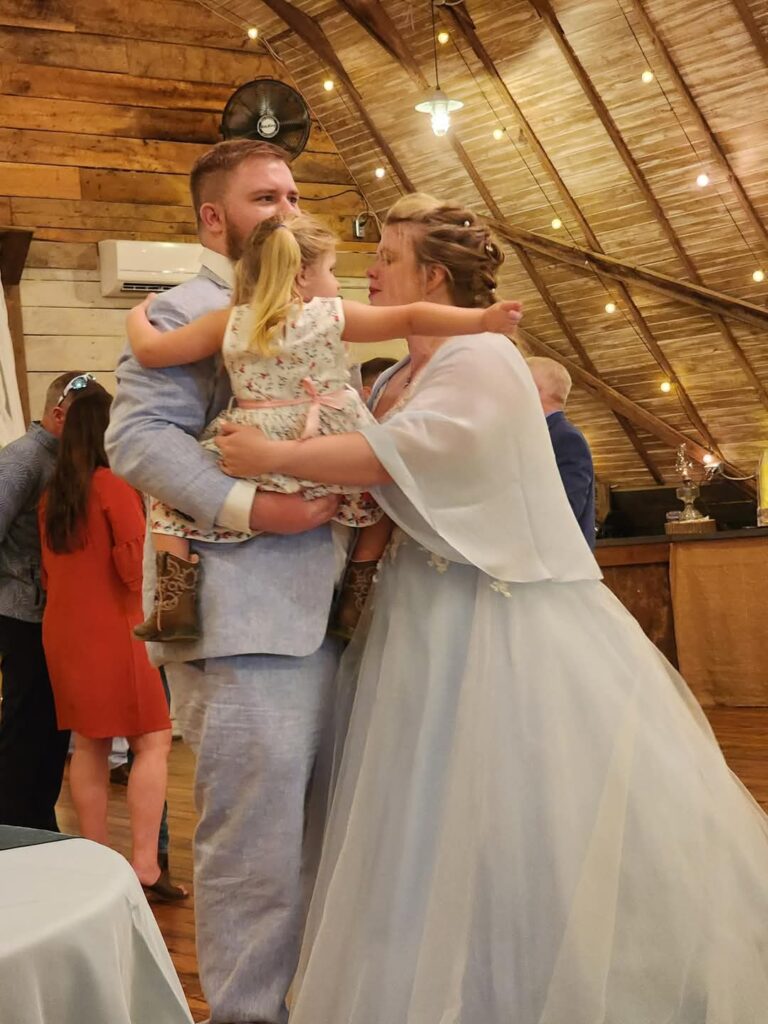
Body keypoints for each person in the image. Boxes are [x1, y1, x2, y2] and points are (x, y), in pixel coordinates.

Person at [216, 193, 768, 1022]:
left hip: (497, 618)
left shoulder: (482, 359)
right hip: (420, 612)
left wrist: (271, 454)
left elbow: (399, 453)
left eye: (389, 258)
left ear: (434, 277)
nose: (373, 269)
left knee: (521, 812)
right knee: (425, 822)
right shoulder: (401, 371)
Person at [104, 137, 344, 1024]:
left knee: (328, 841)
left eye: (292, 194)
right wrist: (258, 507)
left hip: (336, 612)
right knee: (254, 852)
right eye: (263, 199)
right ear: (214, 219)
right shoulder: (186, 310)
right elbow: (137, 441)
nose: (286, 211)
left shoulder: (309, 297)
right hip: (244, 619)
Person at [126, 212, 521, 642]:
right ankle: (356, 591)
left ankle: (175, 599)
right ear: (301, 275)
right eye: (332, 271)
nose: (339, 282)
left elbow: (152, 352)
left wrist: (137, 317)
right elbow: (410, 318)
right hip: (329, 439)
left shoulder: (230, 321)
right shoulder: (330, 315)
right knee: (380, 501)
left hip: (253, 440)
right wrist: (481, 321)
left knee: (168, 494)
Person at [39, 386, 181, 899]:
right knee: (153, 741)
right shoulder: (114, 486)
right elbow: (133, 569)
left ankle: (96, 858)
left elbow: (49, 574)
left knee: (89, 743)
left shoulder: (53, 497)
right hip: (118, 628)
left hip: (64, 631)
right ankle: (144, 863)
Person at [0, 371, 89, 831]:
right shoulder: (22, 460)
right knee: (24, 725)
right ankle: (12, 825)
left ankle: (37, 820)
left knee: (52, 727)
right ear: (59, 414)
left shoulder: (62, 461)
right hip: (22, 614)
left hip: (51, 616)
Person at [527, 356, 596, 548]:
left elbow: (566, 510)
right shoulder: (539, 434)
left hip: (556, 557)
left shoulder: (565, 438)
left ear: (534, 389)